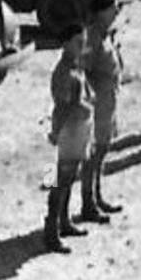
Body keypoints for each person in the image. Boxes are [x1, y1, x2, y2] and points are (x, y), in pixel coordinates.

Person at [46, 22, 93, 252]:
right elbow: (64, 107)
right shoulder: (64, 71)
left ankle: (63, 222)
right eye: (78, 42)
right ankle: (51, 232)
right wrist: (56, 132)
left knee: (69, 177)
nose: (82, 45)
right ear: (65, 44)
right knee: (61, 180)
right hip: (69, 130)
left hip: (78, 128)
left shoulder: (75, 65)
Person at [81, 0, 124, 221]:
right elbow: (83, 71)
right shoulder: (91, 37)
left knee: (103, 149)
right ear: (100, 12)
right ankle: (88, 203)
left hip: (108, 99)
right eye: (112, 8)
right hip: (97, 103)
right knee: (93, 154)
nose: (116, 12)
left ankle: (97, 197)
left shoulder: (105, 34)